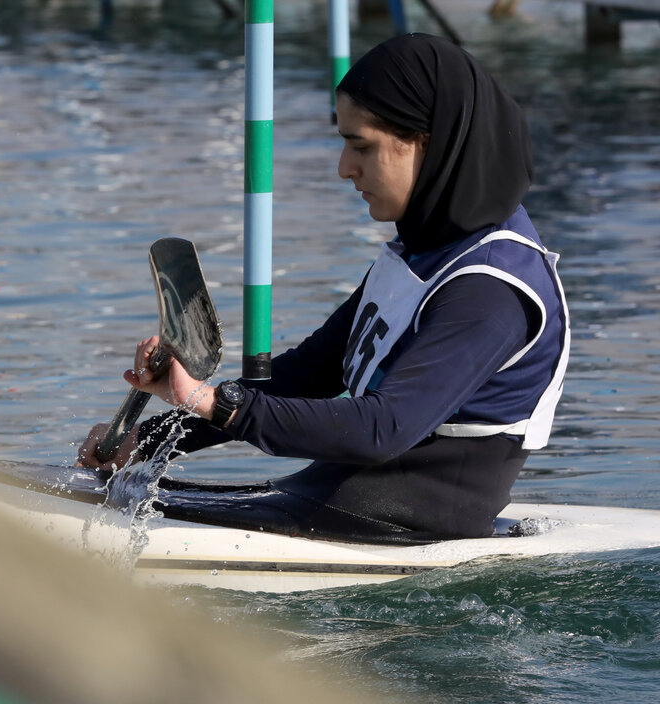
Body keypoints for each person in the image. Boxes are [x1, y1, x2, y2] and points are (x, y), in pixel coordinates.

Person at [76, 33, 569, 544]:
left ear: (429, 142)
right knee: (123, 488)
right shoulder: (430, 246)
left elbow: (384, 428)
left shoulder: (489, 287)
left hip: (401, 530)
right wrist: (152, 439)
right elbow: (310, 372)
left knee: (115, 508)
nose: (344, 168)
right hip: (331, 502)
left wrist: (210, 403)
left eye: (362, 146)